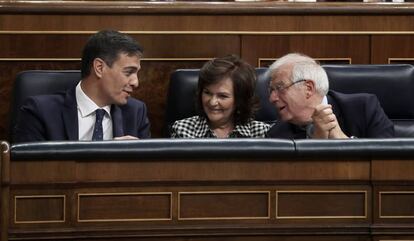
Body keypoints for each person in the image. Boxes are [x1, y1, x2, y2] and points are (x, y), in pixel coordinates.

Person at [13, 30, 150, 142]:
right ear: (99, 67)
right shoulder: (40, 112)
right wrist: (108, 156)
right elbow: (28, 171)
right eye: (128, 72)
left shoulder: (136, 112)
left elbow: (149, 171)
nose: (135, 82)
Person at [266, 53, 394, 139]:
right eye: (271, 90)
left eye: (279, 88)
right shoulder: (276, 135)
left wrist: (341, 141)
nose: (272, 98)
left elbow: (389, 161)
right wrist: (316, 146)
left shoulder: (363, 108)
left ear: (308, 89)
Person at [170, 55, 270, 138]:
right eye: (207, 93)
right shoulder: (183, 130)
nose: (212, 102)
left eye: (222, 96)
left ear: (240, 99)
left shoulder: (260, 133)